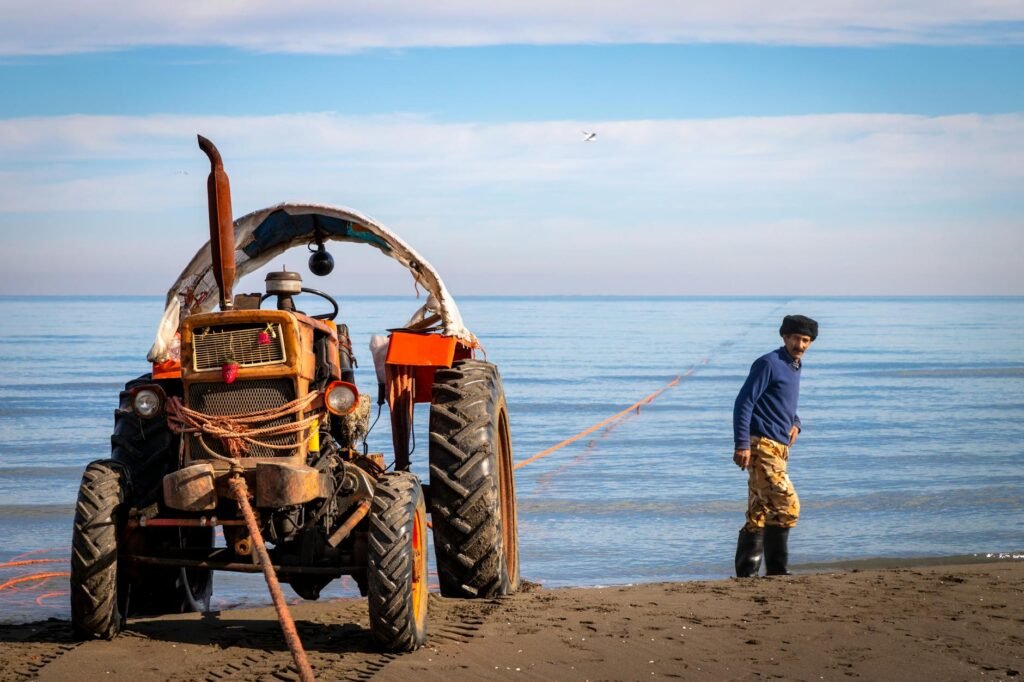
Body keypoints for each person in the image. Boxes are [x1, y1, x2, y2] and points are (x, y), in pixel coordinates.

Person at [732, 314, 818, 577]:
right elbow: (744, 402)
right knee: (788, 505)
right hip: (762, 446)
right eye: (796, 338)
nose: (800, 344)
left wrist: (796, 422)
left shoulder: (794, 365)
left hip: (780, 447)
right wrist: (742, 444)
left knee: (759, 512)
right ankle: (778, 572)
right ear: (784, 337)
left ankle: (746, 575)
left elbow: (783, 402)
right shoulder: (769, 363)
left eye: (806, 340)